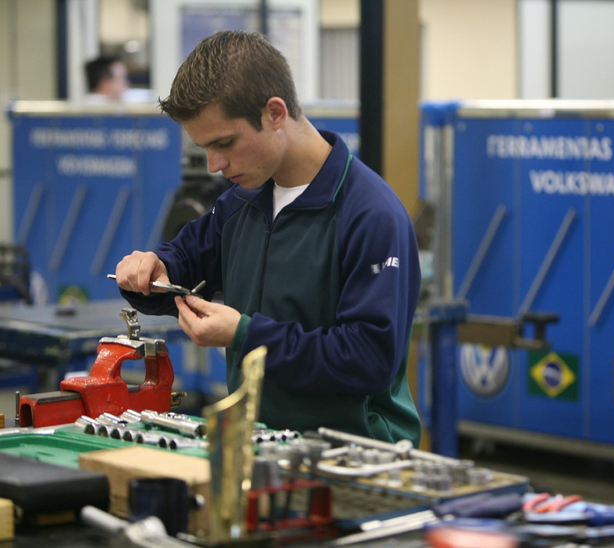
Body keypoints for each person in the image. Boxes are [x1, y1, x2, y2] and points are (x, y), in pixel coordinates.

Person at [114, 31, 422, 446]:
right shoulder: (241, 203)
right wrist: (149, 274)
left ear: (275, 113)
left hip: (356, 459)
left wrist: (244, 335)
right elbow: (182, 260)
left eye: (225, 143)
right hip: (260, 449)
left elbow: (368, 360)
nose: (214, 165)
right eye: (205, 148)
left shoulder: (370, 215)